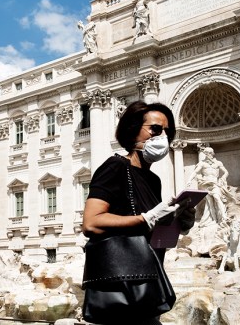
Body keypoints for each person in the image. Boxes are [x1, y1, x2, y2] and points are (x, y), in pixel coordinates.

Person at [82, 100, 196, 324]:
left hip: (148, 279)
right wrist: (147, 217)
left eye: (167, 132)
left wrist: (178, 223)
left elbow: (154, 236)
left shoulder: (153, 180)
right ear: (133, 130)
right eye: (155, 129)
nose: (162, 136)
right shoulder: (114, 167)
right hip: (120, 282)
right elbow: (91, 222)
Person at [186, 147, 229, 227]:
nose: (208, 154)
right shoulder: (202, 163)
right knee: (210, 203)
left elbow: (226, 172)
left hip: (215, 184)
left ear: (212, 153)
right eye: (206, 153)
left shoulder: (218, 163)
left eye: (209, 153)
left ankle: (224, 216)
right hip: (205, 184)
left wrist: (223, 177)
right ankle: (214, 219)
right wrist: (189, 180)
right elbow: (195, 172)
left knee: (217, 197)